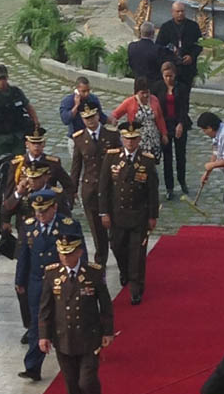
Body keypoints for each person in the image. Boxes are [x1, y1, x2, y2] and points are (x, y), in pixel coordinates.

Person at [38, 233, 113, 394]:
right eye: (62, 253)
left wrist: (107, 332)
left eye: (68, 253)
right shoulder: (52, 274)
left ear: (79, 252)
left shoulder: (93, 273)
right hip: (64, 339)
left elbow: (105, 304)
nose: (64, 257)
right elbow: (45, 307)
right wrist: (43, 335)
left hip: (89, 338)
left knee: (86, 382)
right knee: (71, 385)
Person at [15, 189, 86, 382]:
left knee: (67, 320)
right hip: (37, 283)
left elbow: (81, 254)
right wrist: (19, 280)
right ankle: (32, 367)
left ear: (54, 207)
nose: (40, 215)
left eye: (44, 211)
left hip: (62, 283)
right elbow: (23, 256)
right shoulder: (29, 227)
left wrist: (83, 278)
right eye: (37, 211)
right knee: (37, 324)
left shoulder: (68, 227)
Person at [2, 159, 72, 346]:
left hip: (51, 247)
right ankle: (32, 326)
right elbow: (6, 208)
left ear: (45, 177)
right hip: (28, 245)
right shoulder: (23, 193)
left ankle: (51, 328)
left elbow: (67, 222)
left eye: (37, 177)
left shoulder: (55, 196)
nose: (33, 181)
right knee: (24, 290)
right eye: (30, 177)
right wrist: (18, 193)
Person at [98, 121, 159, 305]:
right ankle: (124, 271)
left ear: (139, 139)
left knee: (137, 254)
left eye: (133, 139)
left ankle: (136, 287)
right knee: (117, 247)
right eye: (127, 139)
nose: (130, 143)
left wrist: (152, 216)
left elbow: (152, 190)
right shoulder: (112, 158)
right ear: (122, 139)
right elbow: (104, 187)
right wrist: (104, 213)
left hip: (138, 215)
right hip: (117, 215)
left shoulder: (146, 160)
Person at [70, 103, 121, 266]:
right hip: (90, 190)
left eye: (92, 117)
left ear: (98, 116)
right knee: (98, 234)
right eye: (86, 118)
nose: (90, 121)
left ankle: (122, 262)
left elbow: (120, 160)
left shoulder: (111, 136)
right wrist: (73, 190)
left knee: (115, 232)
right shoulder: (79, 138)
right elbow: (76, 167)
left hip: (110, 189)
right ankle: (101, 267)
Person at [3, 126, 75, 212]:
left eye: (39, 143)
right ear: (27, 144)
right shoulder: (17, 164)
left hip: (47, 207)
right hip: (25, 209)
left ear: (43, 144)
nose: (36, 147)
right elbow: (9, 193)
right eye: (33, 143)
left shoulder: (53, 163)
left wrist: (66, 204)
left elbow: (69, 186)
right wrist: (5, 219)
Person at [0, 63, 39, 161]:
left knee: (20, 165)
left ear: (7, 77)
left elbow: (28, 107)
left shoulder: (16, 92)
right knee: (3, 167)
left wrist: (36, 121)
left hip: (17, 137)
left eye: (4, 78)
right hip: (0, 140)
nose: (2, 81)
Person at [152, 61, 191, 198]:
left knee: (181, 156)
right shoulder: (157, 88)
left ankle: (182, 181)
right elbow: (156, 108)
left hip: (179, 122)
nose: (168, 79)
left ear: (175, 75)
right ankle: (169, 187)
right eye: (166, 76)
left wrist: (181, 123)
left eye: (171, 76)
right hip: (164, 124)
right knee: (167, 157)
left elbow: (184, 107)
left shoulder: (182, 88)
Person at [110, 77, 168, 165]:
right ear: (137, 92)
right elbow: (115, 114)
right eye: (142, 93)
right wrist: (113, 120)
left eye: (147, 92)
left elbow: (160, 118)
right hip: (138, 141)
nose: (145, 95)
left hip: (153, 140)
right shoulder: (129, 102)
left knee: (152, 165)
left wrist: (164, 134)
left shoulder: (154, 100)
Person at [155, 1, 203, 98]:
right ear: (172, 12)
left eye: (182, 11)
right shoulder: (166, 27)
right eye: (178, 11)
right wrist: (171, 55)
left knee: (185, 95)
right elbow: (159, 47)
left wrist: (191, 56)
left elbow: (199, 45)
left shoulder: (193, 26)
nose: (180, 13)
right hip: (172, 68)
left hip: (188, 68)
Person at [60, 76, 108, 155]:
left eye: (88, 90)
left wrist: (110, 120)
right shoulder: (67, 101)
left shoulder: (93, 99)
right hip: (76, 139)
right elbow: (65, 120)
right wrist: (76, 105)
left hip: (92, 139)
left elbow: (100, 116)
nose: (87, 94)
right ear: (77, 90)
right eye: (83, 91)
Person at [128, 21, 171, 89]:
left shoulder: (132, 47)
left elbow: (131, 63)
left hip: (138, 82)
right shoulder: (158, 50)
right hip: (155, 84)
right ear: (153, 33)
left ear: (140, 32)